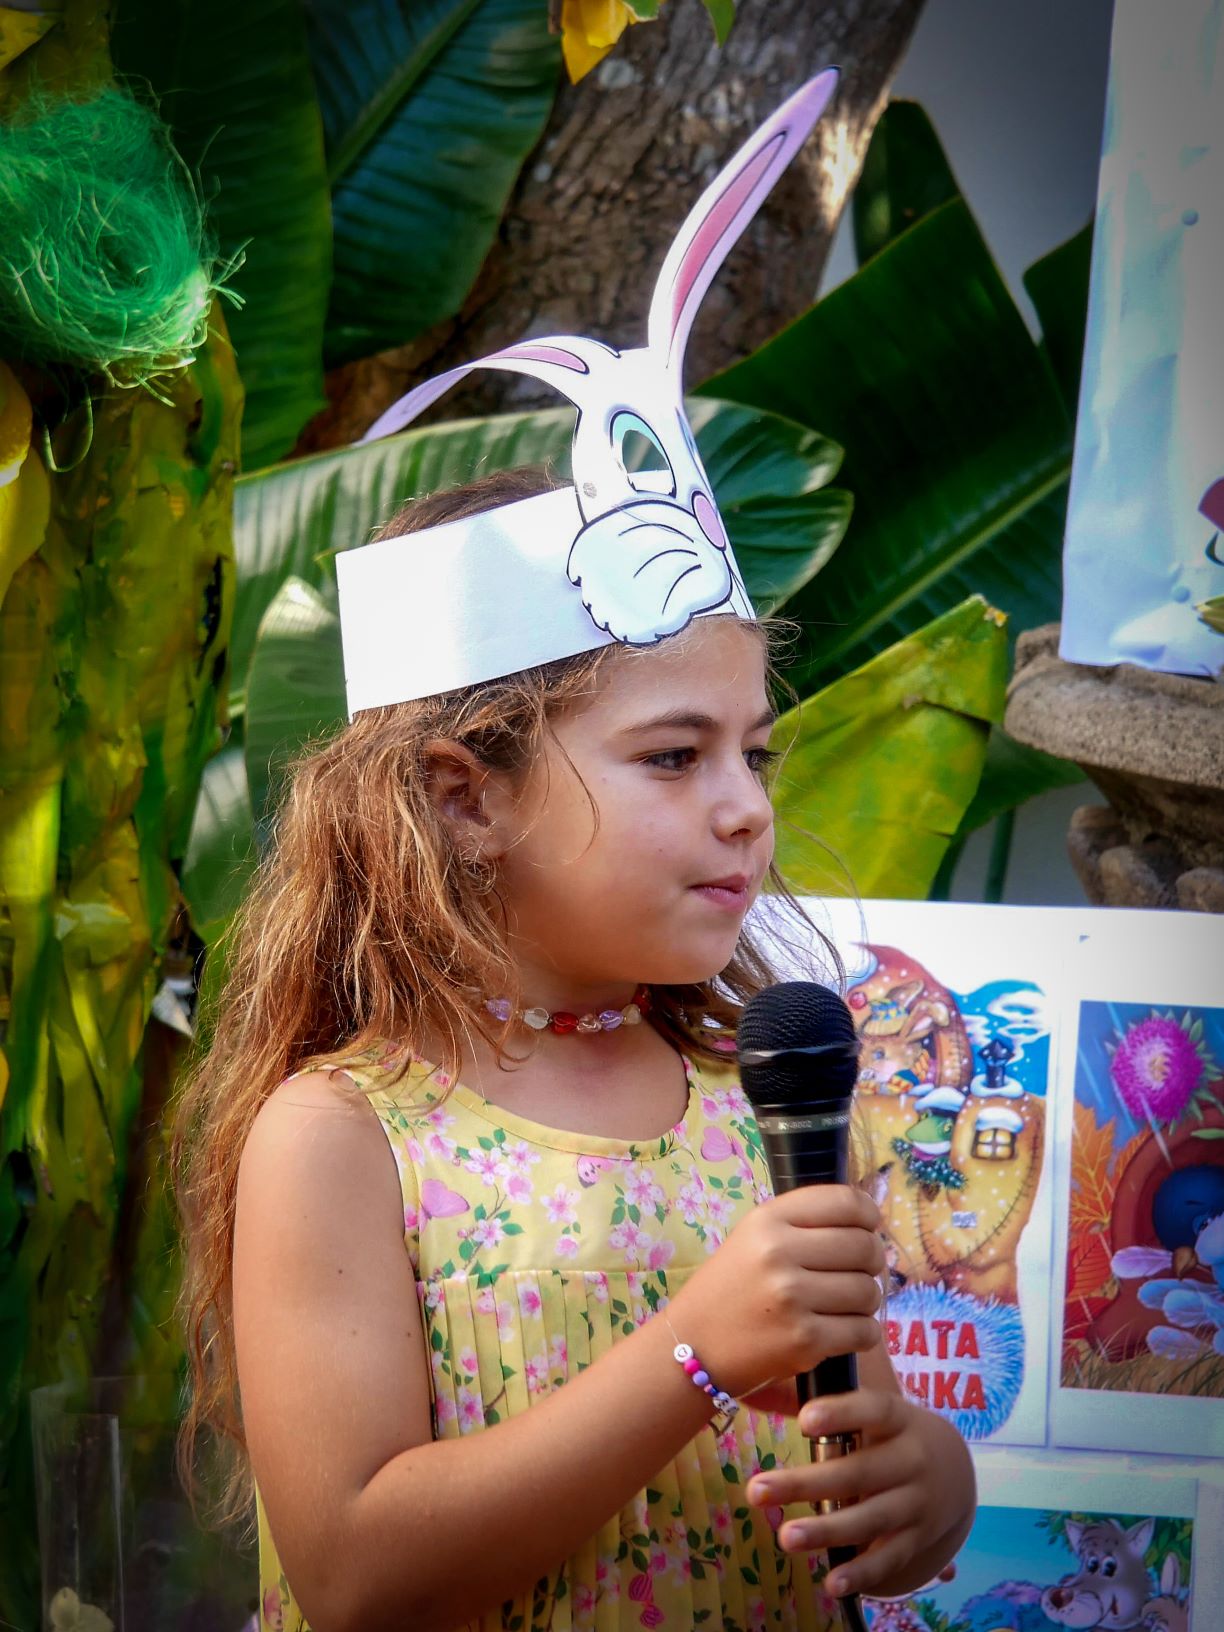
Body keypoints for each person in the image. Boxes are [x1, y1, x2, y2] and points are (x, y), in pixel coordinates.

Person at [172, 76, 976, 1632]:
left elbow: (842, 1416)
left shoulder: (762, 1093)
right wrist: (690, 1352)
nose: (744, 804)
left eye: (755, 750)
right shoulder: (341, 1140)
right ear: (464, 798)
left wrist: (922, 1482)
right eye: (674, 756)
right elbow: (354, 1572)